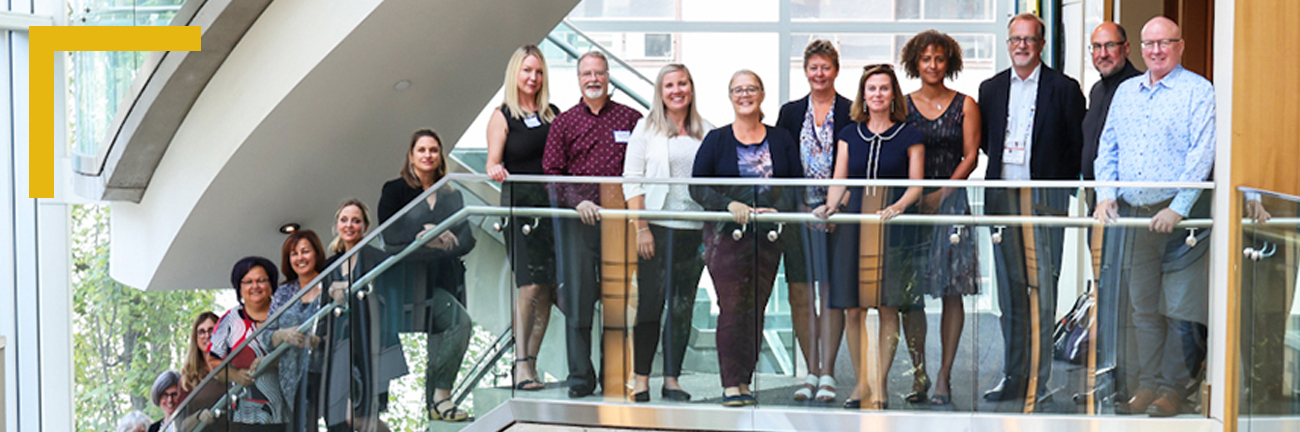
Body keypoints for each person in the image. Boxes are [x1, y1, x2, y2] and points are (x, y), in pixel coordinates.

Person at [1093, 16, 1215, 418]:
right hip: (1133, 218)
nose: (1156, 51)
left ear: (1181, 46)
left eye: (1165, 43)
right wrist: (1106, 195)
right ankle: (1147, 385)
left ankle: (1173, 390)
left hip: (1180, 221)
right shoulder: (1126, 92)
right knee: (1142, 308)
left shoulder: (1199, 91)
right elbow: (1106, 147)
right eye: (1149, 44)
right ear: (1139, 49)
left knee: (1180, 309)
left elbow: (1203, 154)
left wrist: (1178, 206)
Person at [978, 12, 1085, 406]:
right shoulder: (990, 89)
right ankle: (1013, 375)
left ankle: (1038, 383)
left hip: (1045, 204)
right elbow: (990, 144)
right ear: (1007, 44)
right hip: (1003, 201)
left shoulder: (1065, 89)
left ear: (1041, 44)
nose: (1021, 45)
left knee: (1041, 293)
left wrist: (1062, 195)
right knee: (1009, 295)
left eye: (1029, 39)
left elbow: (1077, 148)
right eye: (1014, 39)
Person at [814, 64, 925, 410]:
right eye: (871, 88)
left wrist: (898, 207)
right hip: (855, 225)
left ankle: (880, 385)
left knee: (889, 306)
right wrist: (829, 207)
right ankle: (861, 382)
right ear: (864, 94)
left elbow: (916, 185)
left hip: (892, 227)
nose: (877, 94)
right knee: (853, 308)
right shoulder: (849, 134)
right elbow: (839, 180)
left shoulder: (910, 135)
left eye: (884, 88)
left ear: (894, 94)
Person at [692, 70, 803, 407]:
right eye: (738, 89)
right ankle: (730, 384)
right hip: (728, 235)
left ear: (762, 94)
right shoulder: (717, 139)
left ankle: (745, 380)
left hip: (767, 236)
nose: (745, 95)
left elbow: (795, 184)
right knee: (732, 307)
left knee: (756, 308)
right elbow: (697, 186)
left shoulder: (781, 138)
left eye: (751, 88)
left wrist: (778, 209)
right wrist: (728, 205)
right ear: (730, 96)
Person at [541, 50, 643, 398]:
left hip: (620, 224)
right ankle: (581, 379)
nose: (594, 79)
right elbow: (552, 174)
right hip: (579, 222)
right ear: (579, 79)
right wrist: (577, 201)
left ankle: (614, 378)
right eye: (587, 74)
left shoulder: (633, 119)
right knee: (580, 301)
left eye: (599, 73)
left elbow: (641, 169)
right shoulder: (564, 123)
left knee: (617, 303)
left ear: (608, 76)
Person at [900, 29, 982, 407]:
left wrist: (941, 194)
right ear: (915, 62)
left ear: (950, 63)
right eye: (926, 58)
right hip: (910, 207)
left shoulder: (965, 103)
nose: (932, 65)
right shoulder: (902, 105)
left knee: (952, 291)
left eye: (939, 58)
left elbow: (971, 157)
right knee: (910, 295)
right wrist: (918, 198)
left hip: (951, 206)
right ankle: (920, 374)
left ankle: (944, 376)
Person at [622, 63, 712, 403]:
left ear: (691, 87)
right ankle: (641, 378)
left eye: (683, 83)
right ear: (661, 92)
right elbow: (632, 179)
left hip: (695, 231)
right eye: (670, 85)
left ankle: (672, 379)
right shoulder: (646, 130)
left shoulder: (708, 130)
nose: (678, 90)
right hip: (656, 229)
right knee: (649, 306)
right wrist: (640, 226)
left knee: (681, 307)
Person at [774, 39, 853, 403]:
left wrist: (838, 207)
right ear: (805, 71)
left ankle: (828, 373)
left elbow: (858, 165)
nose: (819, 74)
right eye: (813, 67)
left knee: (830, 295)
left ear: (836, 70)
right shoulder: (790, 113)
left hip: (839, 215)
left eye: (826, 67)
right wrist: (799, 211)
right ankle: (810, 369)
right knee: (800, 294)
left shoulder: (853, 111)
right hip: (799, 216)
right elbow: (780, 166)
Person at [377, 128, 475, 421]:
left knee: (445, 339)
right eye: (421, 150)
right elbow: (389, 237)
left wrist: (444, 238)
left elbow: (467, 239)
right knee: (460, 324)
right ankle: (442, 397)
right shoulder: (394, 190)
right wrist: (425, 237)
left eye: (433, 150)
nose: (428, 155)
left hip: (444, 279)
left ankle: (436, 406)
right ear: (411, 156)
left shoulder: (451, 195)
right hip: (409, 284)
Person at [485, 44, 561, 392]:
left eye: (539, 71)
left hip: (550, 209)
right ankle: (519, 365)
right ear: (515, 73)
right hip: (520, 207)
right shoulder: (502, 115)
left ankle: (532, 362)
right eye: (527, 70)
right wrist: (496, 169)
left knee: (546, 287)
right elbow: (492, 163)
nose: (533, 77)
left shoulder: (552, 113)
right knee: (528, 285)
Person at [1082, 21, 1143, 408]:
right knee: (1105, 291)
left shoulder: (1137, 88)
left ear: (1126, 48)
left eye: (1110, 46)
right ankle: (1110, 379)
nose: (1102, 54)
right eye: (1096, 47)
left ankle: (1129, 383)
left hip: (1125, 207)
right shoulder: (1097, 89)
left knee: (1127, 298)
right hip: (1099, 204)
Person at [320, 199, 399, 431]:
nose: (350, 225)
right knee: (336, 418)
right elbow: (322, 310)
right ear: (336, 225)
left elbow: (387, 297)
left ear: (365, 226)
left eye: (356, 220)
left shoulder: (376, 258)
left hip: (369, 346)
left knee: (362, 415)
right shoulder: (330, 265)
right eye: (344, 220)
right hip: (338, 349)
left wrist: (349, 289)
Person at [260, 229, 327, 432]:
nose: (300, 258)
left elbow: (345, 328)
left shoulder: (330, 285)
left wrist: (318, 341)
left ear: (316, 253)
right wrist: (282, 335)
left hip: (328, 370)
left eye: (305, 251)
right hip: (293, 375)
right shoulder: (284, 292)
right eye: (294, 253)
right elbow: (266, 335)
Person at [208, 256, 287, 430]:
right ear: (239, 287)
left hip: (288, 411)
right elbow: (213, 361)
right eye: (248, 282)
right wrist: (235, 375)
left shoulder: (285, 313)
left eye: (261, 280)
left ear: (271, 284)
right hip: (244, 415)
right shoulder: (229, 320)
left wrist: (272, 362)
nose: (255, 286)